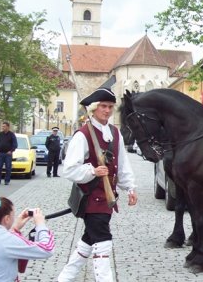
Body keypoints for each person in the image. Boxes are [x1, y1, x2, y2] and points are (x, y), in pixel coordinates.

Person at [58, 87, 138, 282]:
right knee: (103, 241)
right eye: (103, 106)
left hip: (108, 198)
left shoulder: (115, 133)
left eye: (110, 107)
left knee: (88, 241)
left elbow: (122, 164)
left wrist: (130, 187)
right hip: (91, 198)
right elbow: (68, 169)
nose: (107, 110)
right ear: (94, 108)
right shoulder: (83, 134)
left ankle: (64, 278)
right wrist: (92, 171)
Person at [0, 197, 55, 282]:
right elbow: (47, 249)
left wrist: (14, 229)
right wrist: (41, 224)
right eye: (13, 215)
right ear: (7, 219)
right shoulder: (5, 240)